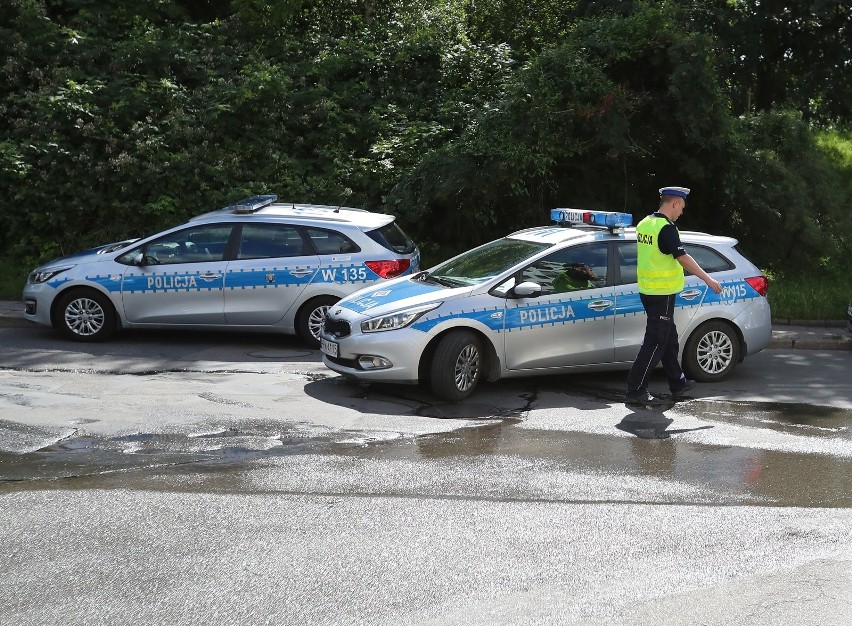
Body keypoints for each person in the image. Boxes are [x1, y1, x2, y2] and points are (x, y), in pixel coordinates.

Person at [625, 186, 723, 405]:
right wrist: (708, 279)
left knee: (669, 337)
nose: (682, 212)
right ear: (676, 203)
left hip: (648, 290)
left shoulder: (645, 223)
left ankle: (677, 382)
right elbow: (682, 257)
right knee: (656, 342)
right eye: (682, 208)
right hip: (662, 292)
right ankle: (635, 390)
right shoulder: (666, 228)